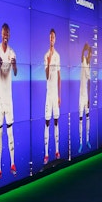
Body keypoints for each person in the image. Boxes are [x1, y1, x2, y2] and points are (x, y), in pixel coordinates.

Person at [0, 23, 18, 182]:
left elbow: (15, 72)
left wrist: (14, 64)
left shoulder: (12, 52)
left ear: (9, 34)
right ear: (1, 34)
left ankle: (13, 164)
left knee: (10, 132)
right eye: (3, 33)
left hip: (9, 99)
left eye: (7, 33)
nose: (5, 35)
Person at [43, 28, 62, 164]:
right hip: (48, 95)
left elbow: (59, 77)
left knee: (56, 121)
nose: (52, 39)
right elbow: (46, 76)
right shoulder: (46, 56)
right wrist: (49, 61)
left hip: (55, 95)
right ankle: (46, 154)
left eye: (53, 37)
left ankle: (56, 150)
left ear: (55, 39)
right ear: (48, 39)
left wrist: (59, 96)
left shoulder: (58, 55)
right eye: (50, 37)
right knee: (47, 122)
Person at [77, 42, 92, 152]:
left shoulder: (89, 67)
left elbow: (89, 83)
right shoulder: (83, 62)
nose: (90, 56)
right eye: (89, 54)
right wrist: (84, 48)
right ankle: (81, 142)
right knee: (81, 119)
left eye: (91, 54)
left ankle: (87, 140)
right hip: (80, 96)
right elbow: (81, 55)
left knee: (87, 117)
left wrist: (89, 98)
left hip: (86, 96)